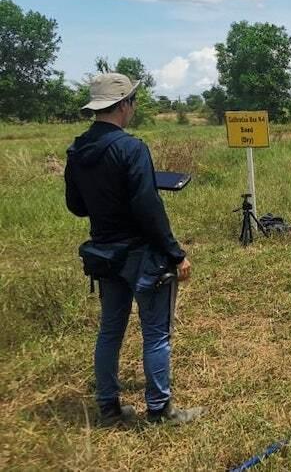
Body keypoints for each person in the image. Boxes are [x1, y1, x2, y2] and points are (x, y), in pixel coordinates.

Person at [65, 73, 203, 426]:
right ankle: (159, 411)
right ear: (124, 104)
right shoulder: (132, 148)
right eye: (133, 103)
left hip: (104, 255)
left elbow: (77, 205)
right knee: (156, 334)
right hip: (141, 256)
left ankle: (108, 408)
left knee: (110, 330)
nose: (134, 109)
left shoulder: (78, 149)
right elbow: (148, 208)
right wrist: (175, 253)